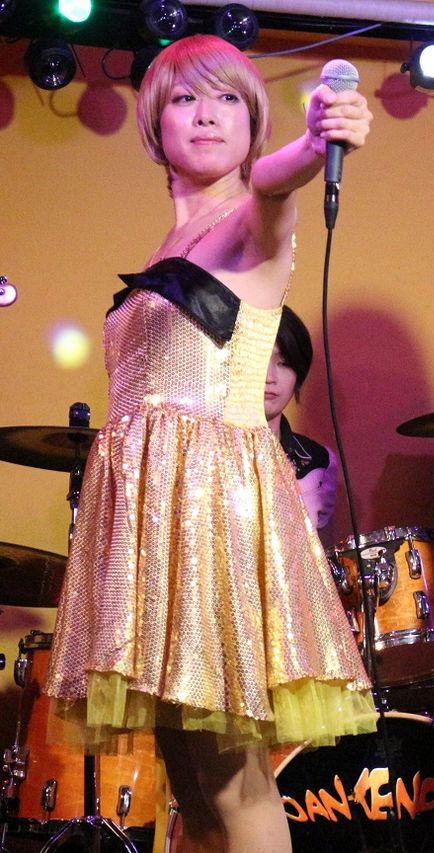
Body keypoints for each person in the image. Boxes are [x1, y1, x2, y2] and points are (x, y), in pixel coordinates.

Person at [43, 35, 376, 853]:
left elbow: (275, 184)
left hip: (212, 518)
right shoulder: (169, 245)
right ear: (155, 123)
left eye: (229, 99)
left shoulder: (250, 219)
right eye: (187, 98)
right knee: (190, 782)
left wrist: (316, 140)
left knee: (234, 778)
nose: (208, 115)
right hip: (153, 527)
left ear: (255, 122)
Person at [266, 305, 338, 536]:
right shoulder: (203, 451)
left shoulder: (319, 461)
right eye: (259, 361)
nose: (269, 377)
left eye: (284, 363)